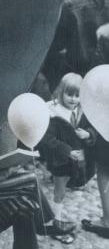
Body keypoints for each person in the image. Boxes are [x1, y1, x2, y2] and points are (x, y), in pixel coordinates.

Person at [39, 73, 95, 214]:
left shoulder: (82, 111)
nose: (73, 99)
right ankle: (56, 217)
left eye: (77, 95)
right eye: (69, 94)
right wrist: (67, 151)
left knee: (70, 180)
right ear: (61, 91)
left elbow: (92, 127)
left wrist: (88, 134)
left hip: (76, 158)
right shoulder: (55, 114)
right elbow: (48, 139)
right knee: (60, 190)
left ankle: (56, 213)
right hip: (60, 159)